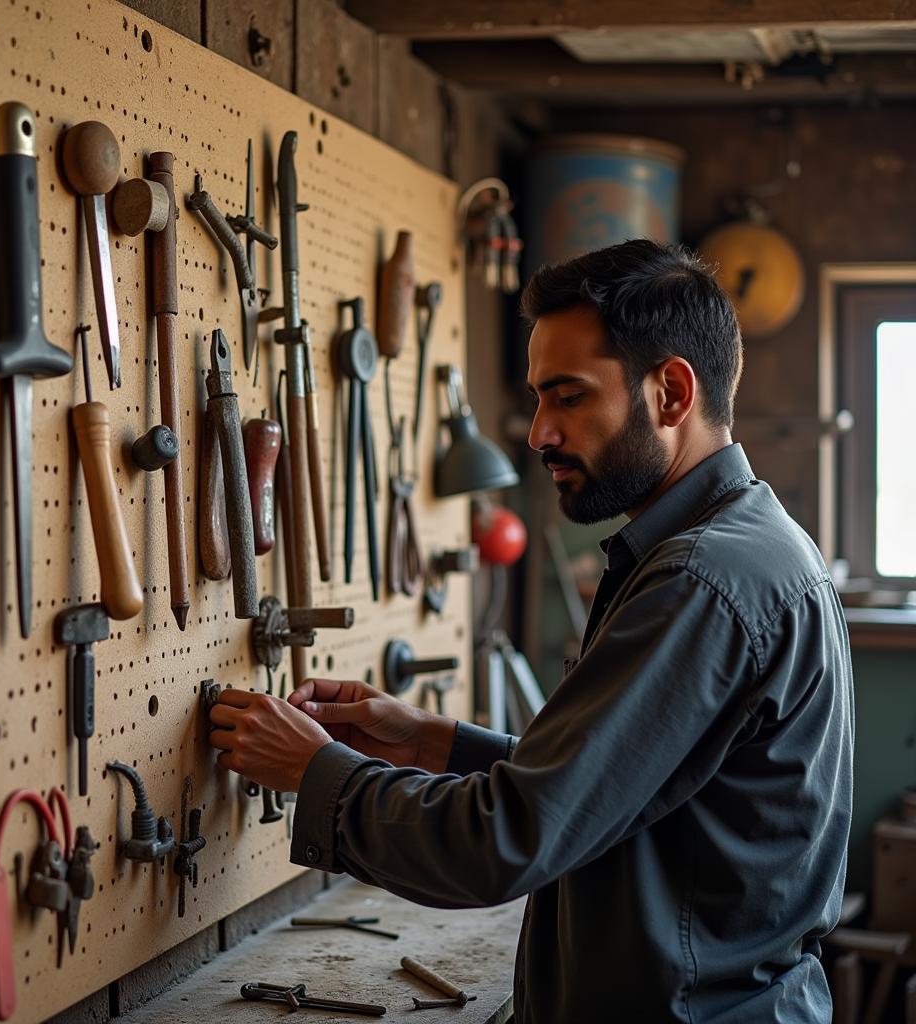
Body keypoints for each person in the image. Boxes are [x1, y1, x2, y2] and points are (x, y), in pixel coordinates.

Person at [208, 239, 854, 1023]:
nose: (540, 432)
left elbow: (505, 845)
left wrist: (317, 773)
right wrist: (430, 742)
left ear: (672, 393)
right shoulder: (748, 545)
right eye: (539, 399)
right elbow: (620, 795)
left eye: (569, 397)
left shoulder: (700, 582)